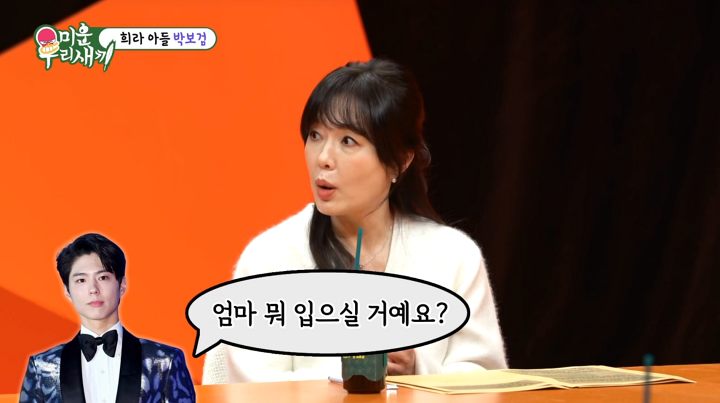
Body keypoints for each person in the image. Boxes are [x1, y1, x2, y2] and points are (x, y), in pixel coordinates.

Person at [202, 58, 507, 384]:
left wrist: (417, 368)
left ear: (400, 161)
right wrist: (347, 370)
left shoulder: (454, 257)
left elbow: (487, 381)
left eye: (348, 141)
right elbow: (254, 389)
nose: (323, 158)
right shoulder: (270, 258)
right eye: (316, 135)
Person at [20, 233, 196, 403]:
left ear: (122, 284)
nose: (93, 289)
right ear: (67, 290)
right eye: (81, 280)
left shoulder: (164, 361)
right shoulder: (43, 366)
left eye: (103, 277)